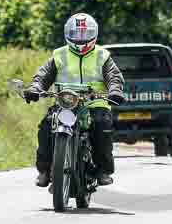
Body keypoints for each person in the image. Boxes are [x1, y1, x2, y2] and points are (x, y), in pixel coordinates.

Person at [25, 13, 125, 187]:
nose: (80, 38)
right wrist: (35, 88)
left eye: (85, 33)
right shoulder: (59, 55)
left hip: (95, 104)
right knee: (46, 126)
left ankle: (102, 170)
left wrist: (115, 90)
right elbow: (43, 75)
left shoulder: (102, 55)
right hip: (65, 103)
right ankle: (45, 171)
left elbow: (113, 76)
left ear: (94, 33)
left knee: (101, 125)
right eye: (76, 33)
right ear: (67, 33)